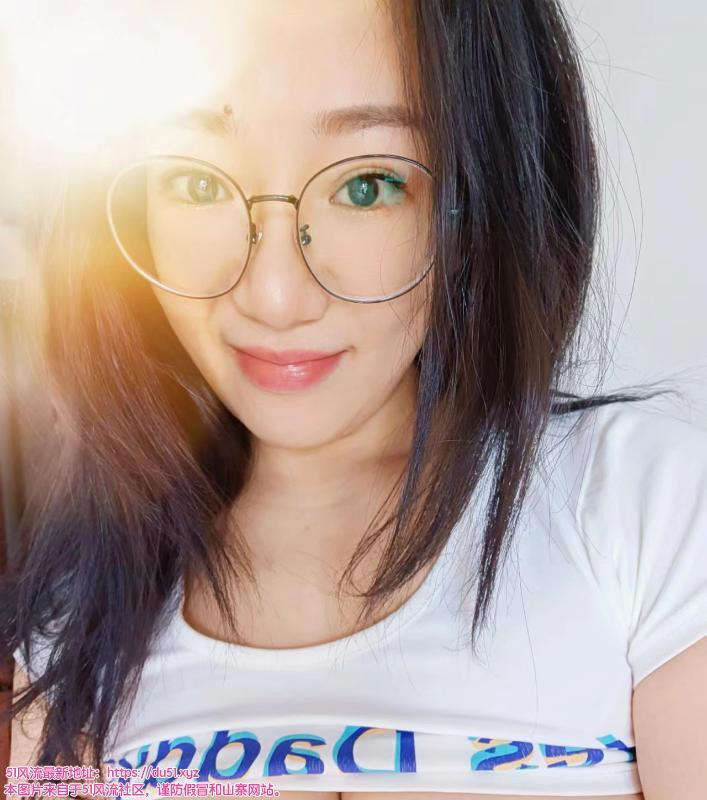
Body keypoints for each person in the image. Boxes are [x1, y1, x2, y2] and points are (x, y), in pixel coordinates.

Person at [2, 1, 706, 798]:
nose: (273, 296)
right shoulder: (74, 617)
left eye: (368, 185)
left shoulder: (648, 513)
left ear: (484, 199)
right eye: (194, 182)